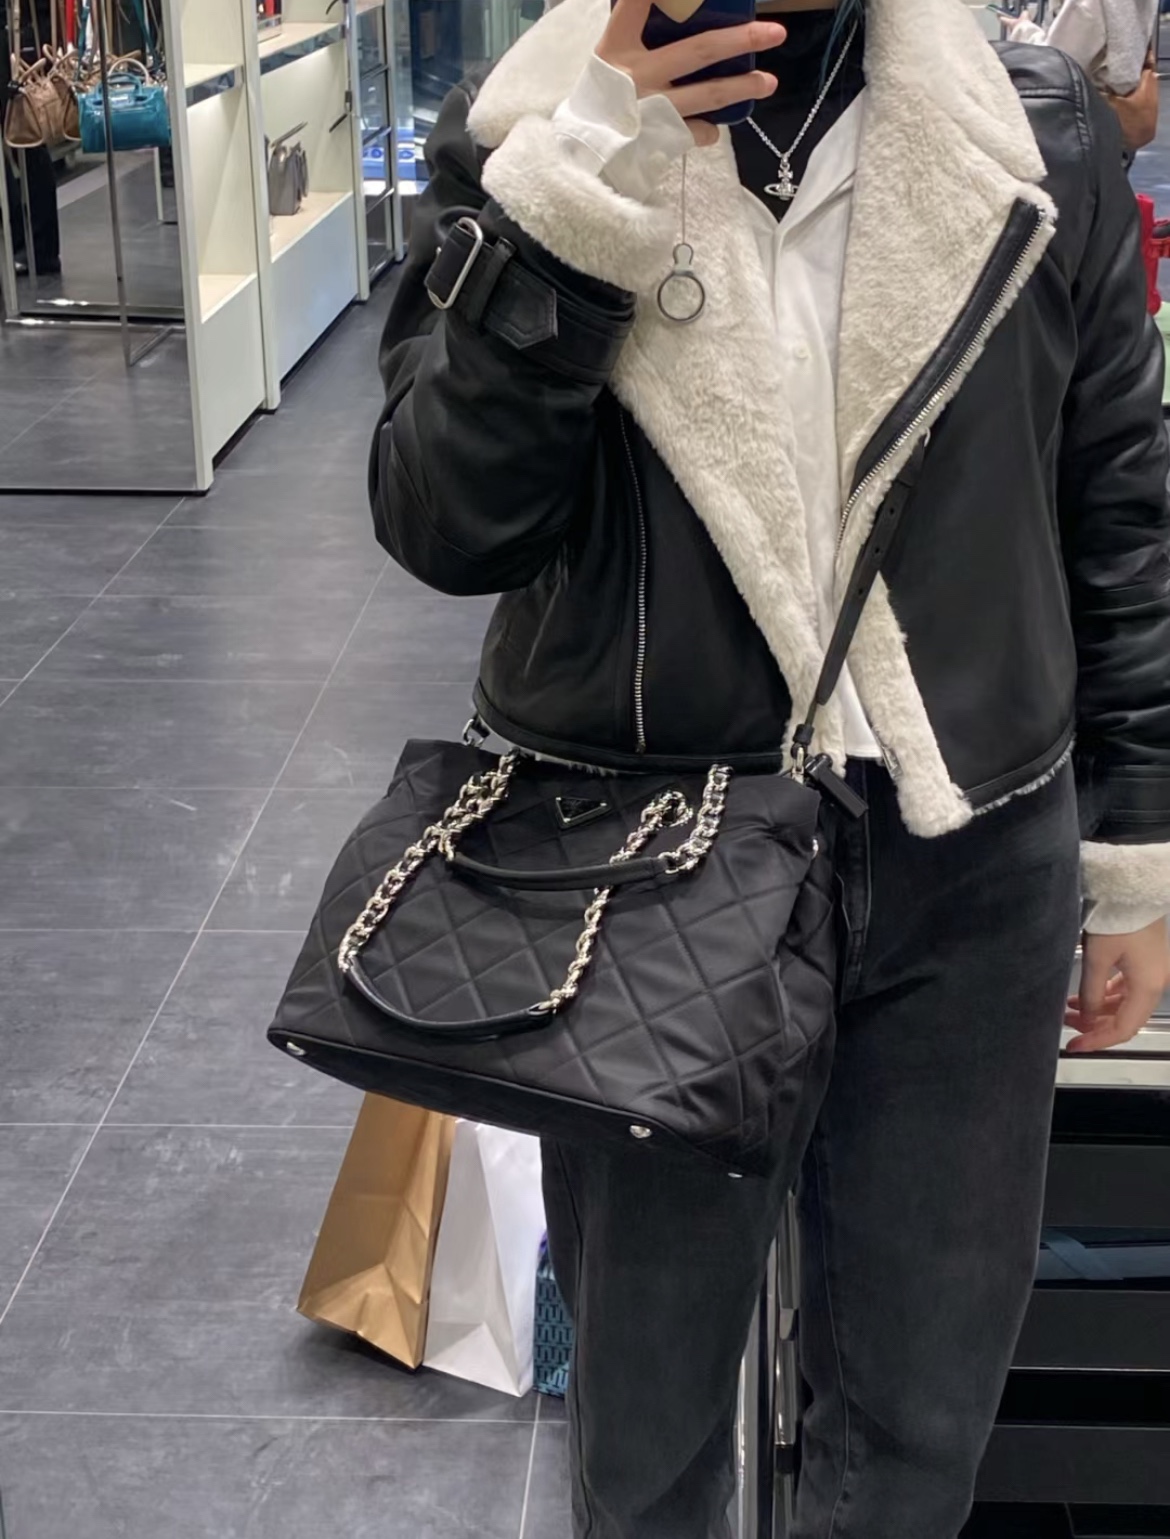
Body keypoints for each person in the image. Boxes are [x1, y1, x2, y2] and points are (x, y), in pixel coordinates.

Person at [370, 0, 1170, 1533]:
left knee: (915, 1436)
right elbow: (442, 520)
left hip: (965, 862)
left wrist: (1131, 848)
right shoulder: (527, 130)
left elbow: (1114, 500)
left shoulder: (1032, 130)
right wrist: (586, 179)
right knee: (647, 1435)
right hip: (642, 865)